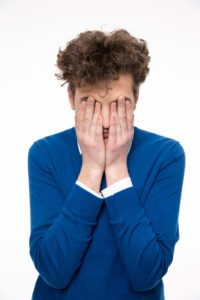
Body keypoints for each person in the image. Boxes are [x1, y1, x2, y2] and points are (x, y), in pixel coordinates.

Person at [27, 29, 186, 300]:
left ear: (135, 99)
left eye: (117, 104)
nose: (104, 121)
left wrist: (115, 168)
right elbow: (54, 271)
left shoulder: (166, 155)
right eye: (89, 103)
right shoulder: (45, 154)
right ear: (71, 100)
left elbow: (147, 273)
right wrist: (90, 168)